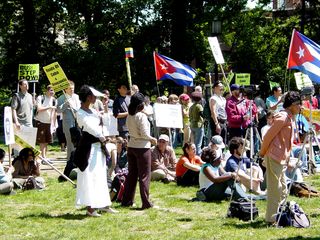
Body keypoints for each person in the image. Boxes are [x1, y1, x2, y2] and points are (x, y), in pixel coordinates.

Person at [75, 85, 117, 217]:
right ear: (88, 97)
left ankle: (104, 204)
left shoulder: (93, 111)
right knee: (90, 176)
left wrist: (104, 110)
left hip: (99, 147)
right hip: (88, 148)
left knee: (101, 176)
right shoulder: (80, 113)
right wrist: (101, 136)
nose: (95, 98)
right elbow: (89, 126)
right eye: (93, 96)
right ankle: (90, 208)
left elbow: (103, 123)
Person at [260, 91, 301, 225]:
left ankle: (280, 215)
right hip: (274, 156)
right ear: (290, 106)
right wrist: (262, 153)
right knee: (275, 189)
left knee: (283, 188)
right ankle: (271, 219)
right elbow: (267, 137)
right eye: (298, 104)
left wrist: (289, 157)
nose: (300, 107)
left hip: (281, 158)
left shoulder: (289, 117)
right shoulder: (283, 117)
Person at [121, 92, 157, 210]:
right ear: (141, 104)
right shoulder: (141, 116)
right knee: (144, 176)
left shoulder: (129, 115)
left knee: (131, 175)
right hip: (142, 148)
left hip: (131, 146)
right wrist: (153, 139)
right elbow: (145, 134)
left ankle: (126, 200)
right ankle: (146, 202)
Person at [57, 80, 81, 161]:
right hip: (67, 122)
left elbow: (78, 108)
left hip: (77, 122)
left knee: (78, 140)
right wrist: (65, 105)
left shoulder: (76, 97)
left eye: (73, 88)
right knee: (70, 142)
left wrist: (72, 106)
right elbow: (58, 111)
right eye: (70, 88)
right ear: (65, 89)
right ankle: (69, 159)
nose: (72, 90)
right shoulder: (61, 98)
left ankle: (77, 158)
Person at [34, 85, 57, 164]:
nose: (52, 92)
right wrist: (49, 107)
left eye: (53, 91)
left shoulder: (54, 100)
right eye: (51, 90)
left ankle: (44, 157)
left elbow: (55, 112)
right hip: (40, 121)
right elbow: (39, 109)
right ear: (46, 91)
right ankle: (42, 158)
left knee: (47, 141)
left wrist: (54, 124)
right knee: (42, 141)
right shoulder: (41, 98)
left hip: (49, 123)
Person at [189, 91, 204, 156]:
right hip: (199, 125)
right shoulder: (199, 106)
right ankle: (198, 156)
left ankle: (193, 155)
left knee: (194, 142)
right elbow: (202, 114)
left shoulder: (191, 107)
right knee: (198, 143)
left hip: (192, 125)